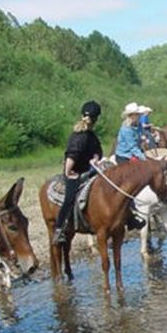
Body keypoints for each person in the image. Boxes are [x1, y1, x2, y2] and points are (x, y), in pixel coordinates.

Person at [52, 101, 103, 245]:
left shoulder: (91, 135)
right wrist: (68, 172)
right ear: (96, 119)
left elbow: (98, 150)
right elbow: (72, 156)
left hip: (89, 170)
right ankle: (59, 230)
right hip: (76, 172)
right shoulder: (79, 136)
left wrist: (96, 158)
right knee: (69, 199)